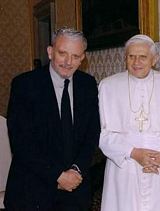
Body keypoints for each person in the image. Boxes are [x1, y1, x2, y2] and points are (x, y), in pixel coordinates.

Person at [4, 27, 100, 210]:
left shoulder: (88, 85)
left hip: (75, 191)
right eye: (62, 53)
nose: (68, 61)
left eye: (75, 56)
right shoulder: (24, 85)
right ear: (50, 52)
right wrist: (57, 175)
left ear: (82, 58)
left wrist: (76, 170)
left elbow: (92, 134)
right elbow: (21, 141)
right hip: (32, 191)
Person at [98, 34, 160, 211]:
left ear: (154, 59)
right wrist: (133, 153)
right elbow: (104, 136)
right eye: (131, 56)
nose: (136, 62)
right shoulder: (108, 86)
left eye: (143, 57)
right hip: (125, 167)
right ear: (125, 58)